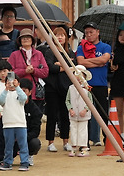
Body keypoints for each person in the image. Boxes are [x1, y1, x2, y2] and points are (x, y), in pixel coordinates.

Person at [74, 22, 111, 144]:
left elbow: (105, 59)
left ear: (98, 32)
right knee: (85, 112)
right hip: (85, 84)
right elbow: (80, 61)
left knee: (103, 113)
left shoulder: (105, 47)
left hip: (101, 83)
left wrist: (87, 61)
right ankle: (86, 140)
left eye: (91, 32)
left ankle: (107, 139)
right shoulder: (81, 47)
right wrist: (98, 63)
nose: (89, 35)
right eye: (86, 33)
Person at [40, 26, 72, 154]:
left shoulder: (69, 51)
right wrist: (62, 67)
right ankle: (50, 142)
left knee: (65, 115)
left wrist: (60, 65)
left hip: (65, 87)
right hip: (52, 87)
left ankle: (66, 141)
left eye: (62, 35)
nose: (60, 37)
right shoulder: (49, 51)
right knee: (52, 115)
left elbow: (72, 65)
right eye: (57, 35)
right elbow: (49, 67)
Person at [0, 74, 29, 172]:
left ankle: (24, 162)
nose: (11, 84)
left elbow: (24, 98)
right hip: (7, 124)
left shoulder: (19, 93)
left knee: (23, 145)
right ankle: (7, 163)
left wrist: (17, 87)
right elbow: (1, 101)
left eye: (14, 81)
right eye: (8, 82)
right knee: (8, 145)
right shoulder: (4, 94)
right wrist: (6, 89)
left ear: (18, 83)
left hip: (20, 124)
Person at [66, 66, 93, 158]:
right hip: (73, 115)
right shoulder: (70, 88)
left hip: (83, 114)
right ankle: (73, 147)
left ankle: (84, 148)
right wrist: (70, 109)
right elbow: (67, 101)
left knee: (83, 131)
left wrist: (85, 109)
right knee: (73, 130)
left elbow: (90, 101)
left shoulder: (87, 88)